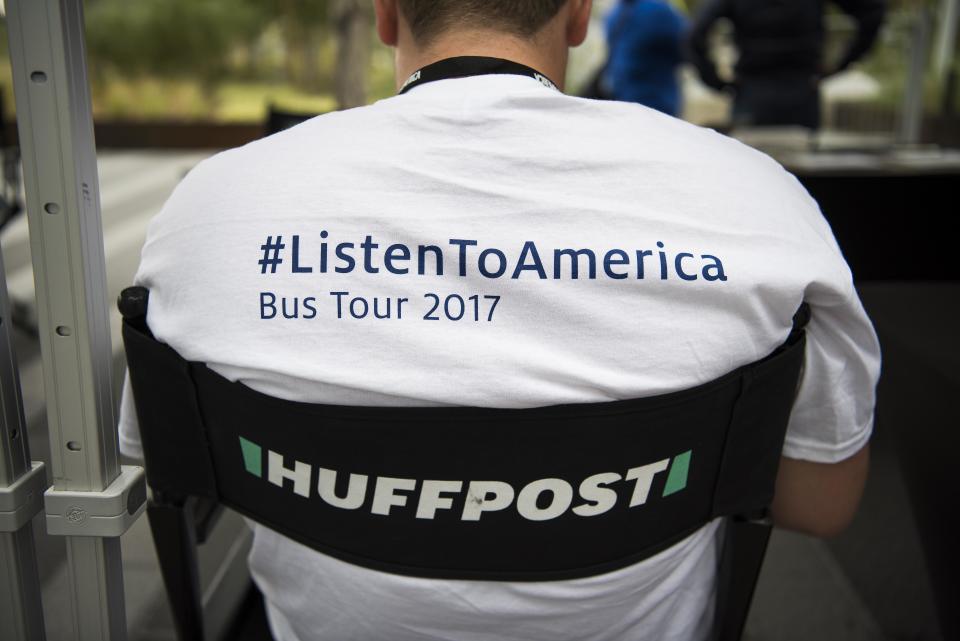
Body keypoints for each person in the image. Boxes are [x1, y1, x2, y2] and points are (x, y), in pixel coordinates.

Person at [119, 1, 879, 639]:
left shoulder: (209, 213)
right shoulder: (757, 203)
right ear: (579, 14)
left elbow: (171, 465)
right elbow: (820, 500)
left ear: (386, 14)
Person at [687, 0, 886, 129]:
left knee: (749, 174)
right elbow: (873, 12)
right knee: (801, 182)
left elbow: (695, 34)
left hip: (753, 92)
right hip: (801, 90)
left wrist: (717, 82)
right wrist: (843, 64)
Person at [601, 0, 689, 115]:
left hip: (621, 104)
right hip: (655, 107)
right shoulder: (658, 11)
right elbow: (692, 44)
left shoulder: (615, 12)